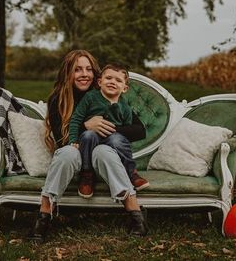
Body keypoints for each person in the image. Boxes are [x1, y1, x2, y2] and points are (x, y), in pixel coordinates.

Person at [27, 50, 148, 243]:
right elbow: (62, 140)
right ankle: (43, 217)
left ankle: (135, 214)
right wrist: (87, 125)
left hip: (103, 161)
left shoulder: (105, 95)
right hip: (74, 156)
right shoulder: (58, 99)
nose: (84, 74)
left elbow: (139, 130)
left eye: (89, 69)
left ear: (96, 75)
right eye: (77, 70)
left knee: (104, 152)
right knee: (67, 153)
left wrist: (109, 128)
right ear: (68, 73)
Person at [68, 64, 149, 198]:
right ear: (100, 82)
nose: (112, 82)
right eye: (109, 78)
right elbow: (76, 118)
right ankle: (87, 175)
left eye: (118, 80)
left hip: (112, 142)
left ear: (125, 88)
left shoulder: (125, 107)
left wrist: (115, 132)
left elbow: (128, 133)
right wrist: (73, 140)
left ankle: (131, 172)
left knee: (117, 139)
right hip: (92, 137)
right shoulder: (90, 97)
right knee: (88, 135)